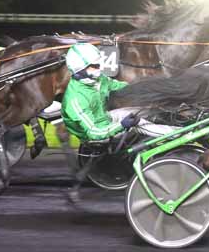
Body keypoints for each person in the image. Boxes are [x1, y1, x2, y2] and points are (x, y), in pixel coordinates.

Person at [61, 43, 176, 202]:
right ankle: (176, 134)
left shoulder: (97, 79)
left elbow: (119, 86)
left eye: (99, 64)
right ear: (80, 69)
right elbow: (94, 132)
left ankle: (166, 126)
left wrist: (143, 88)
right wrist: (122, 125)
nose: (99, 68)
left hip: (106, 118)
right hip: (98, 135)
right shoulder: (75, 100)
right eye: (95, 65)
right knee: (138, 122)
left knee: (143, 109)